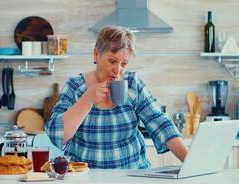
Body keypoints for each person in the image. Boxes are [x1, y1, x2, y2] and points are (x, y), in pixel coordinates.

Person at [45, 26, 188, 169]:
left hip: (132, 175)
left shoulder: (132, 84)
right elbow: (57, 134)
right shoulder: (76, 86)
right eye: (112, 61)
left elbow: (161, 123)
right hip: (88, 177)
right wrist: (87, 99)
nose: (118, 70)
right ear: (96, 55)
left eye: (124, 63)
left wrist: (191, 163)